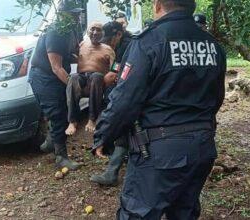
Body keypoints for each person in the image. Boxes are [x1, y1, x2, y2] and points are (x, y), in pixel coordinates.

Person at [92, 0, 226, 219]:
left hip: (160, 153)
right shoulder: (212, 44)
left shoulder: (148, 42)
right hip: (202, 147)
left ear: (157, 5)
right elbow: (217, 98)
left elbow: (124, 101)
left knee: (137, 213)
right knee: (184, 212)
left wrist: (103, 136)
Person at [28, 0, 83, 170]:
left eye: (77, 13)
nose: (77, 16)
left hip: (53, 76)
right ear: (62, 14)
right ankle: (61, 157)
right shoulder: (56, 31)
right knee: (58, 114)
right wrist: (72, 87)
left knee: (62, 111)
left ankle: (51, 143)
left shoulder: (70, 30)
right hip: (44, 77)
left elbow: (68, 55)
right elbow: (56, 67)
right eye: (73, 13)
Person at [90, 21, 130, 186]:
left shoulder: (131, 46)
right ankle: (114, 167)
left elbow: (119, 73)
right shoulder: (121, 46)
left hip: (135, 94)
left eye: (108, 40)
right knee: (126, 130)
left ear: (118, 35)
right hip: (133, 92)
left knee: (123, 127)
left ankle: (112, 173)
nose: (106, 44)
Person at [66, 22, 115, 135]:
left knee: (96, 76)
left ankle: (92, 119)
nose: (95, 32)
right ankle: (72, 121)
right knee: (73, 78)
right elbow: (74, 57)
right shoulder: (82, 44)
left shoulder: (108, 49)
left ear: (103, 33)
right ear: (88, 31)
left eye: (98, 30)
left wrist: (111, 74)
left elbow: (115, 66)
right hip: (82, 77)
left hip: (98, 78)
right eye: (92, 29)